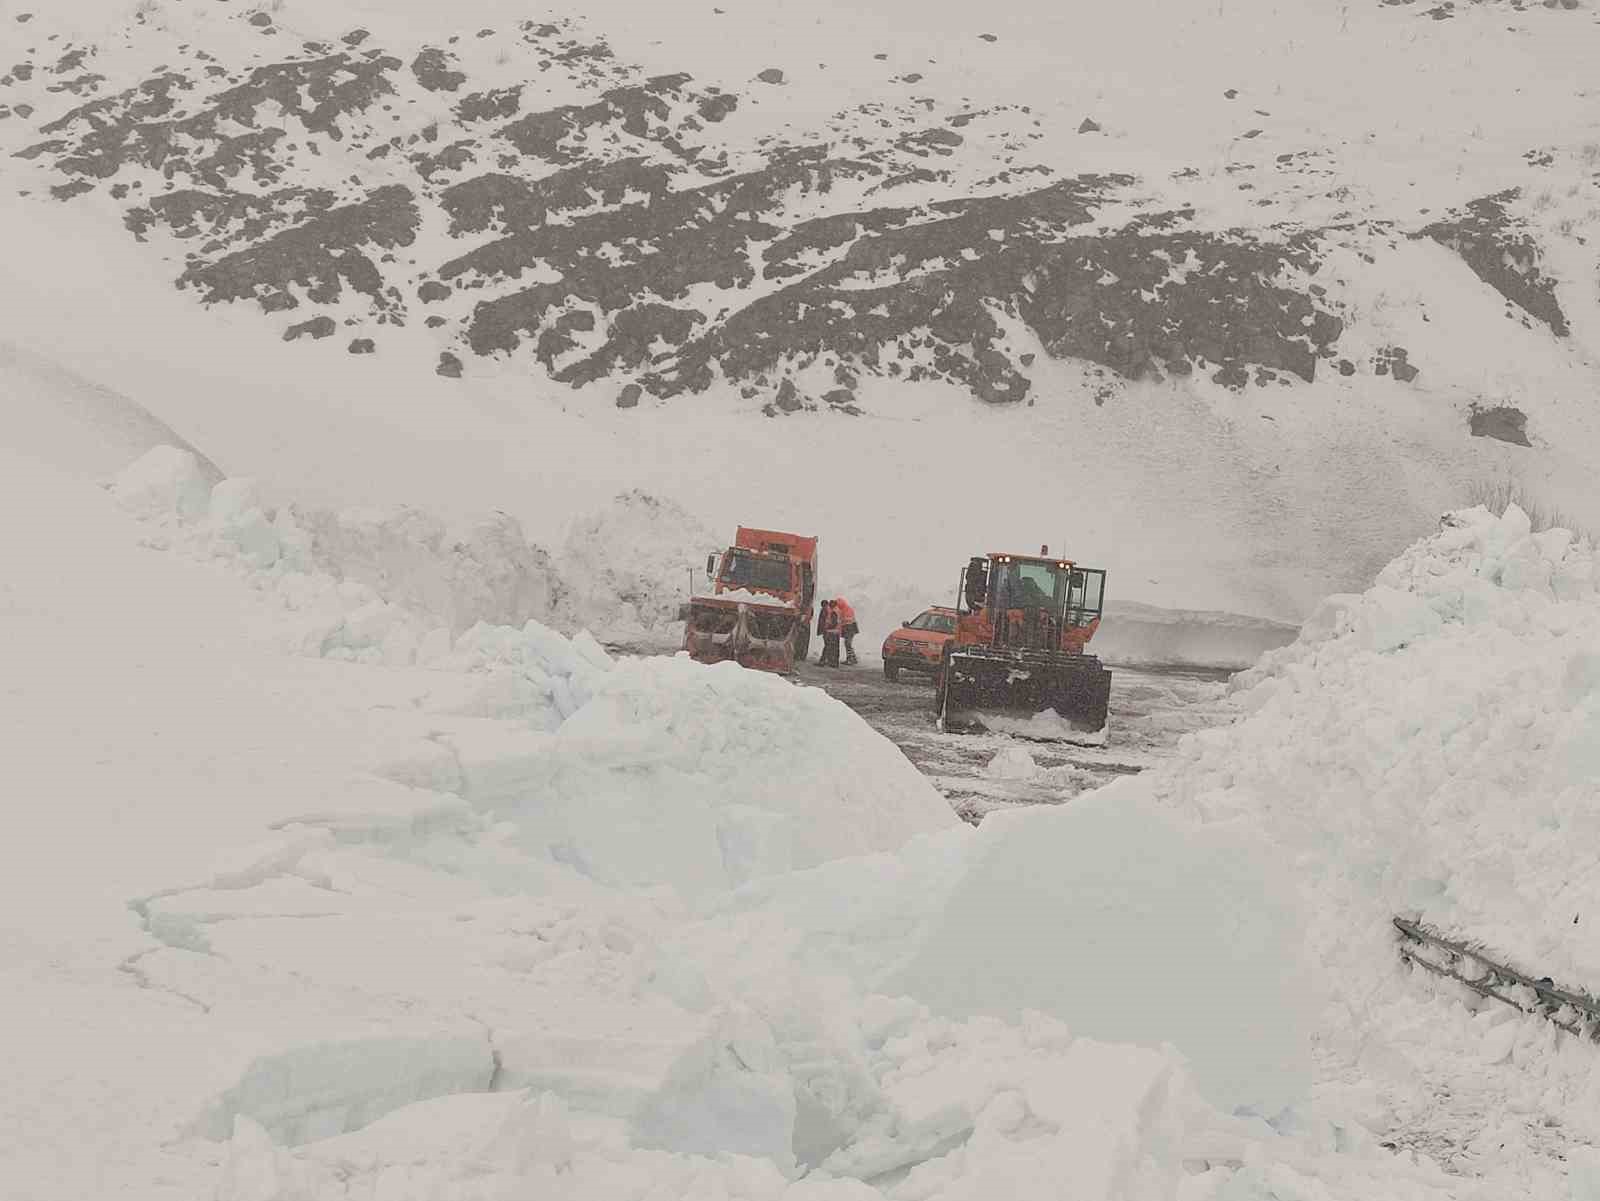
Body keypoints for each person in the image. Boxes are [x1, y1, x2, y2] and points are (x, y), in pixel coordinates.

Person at [834, 596, 859, 665]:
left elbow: (845, 620)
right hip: (850, 628)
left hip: (849, 628)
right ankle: (853, 658)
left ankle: (850, 659)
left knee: (848, 643)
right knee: (848, 643)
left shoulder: (846, 610)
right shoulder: (845, 609)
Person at [817, 600, 841, 667]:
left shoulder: (833, 611)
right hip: (836, 632)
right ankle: (834, 663)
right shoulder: (837, 610)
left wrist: (826, 628)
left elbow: (834, 623)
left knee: (827, 647)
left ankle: (823, 661)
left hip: (832, 632)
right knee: (835, 648)